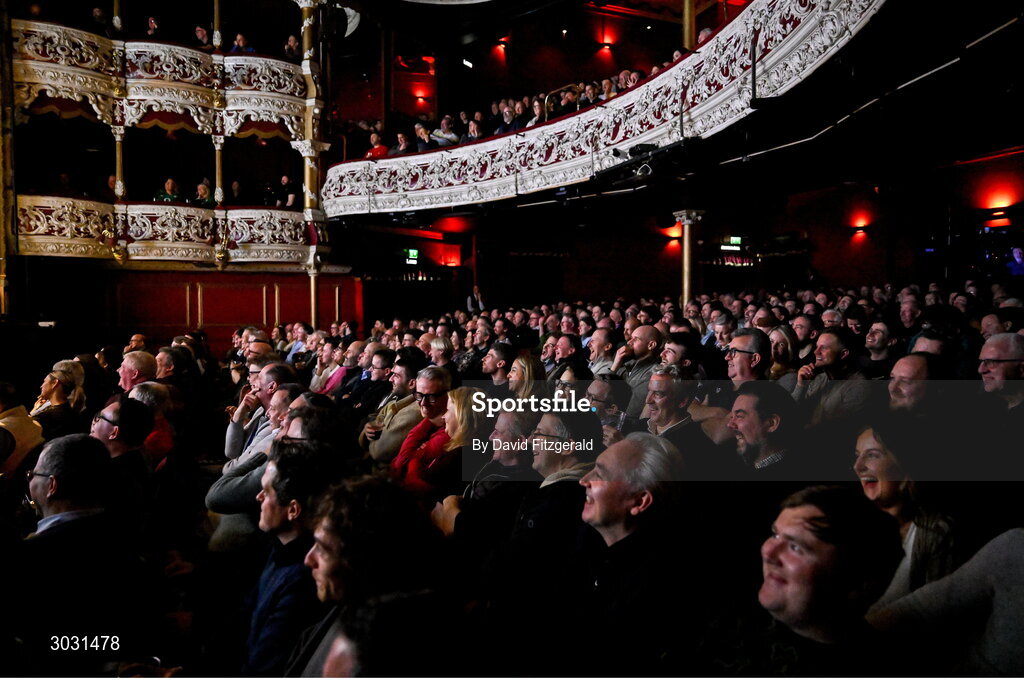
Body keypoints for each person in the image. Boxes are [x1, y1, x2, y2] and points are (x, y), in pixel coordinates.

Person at [14, 435, 158, 675]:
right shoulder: (129, 537)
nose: (29, 482)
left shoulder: (30, 558)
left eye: (32, 476)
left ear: (52, 486)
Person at [288, 476, 449, 676]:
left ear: (361, 559)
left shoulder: (380, 656)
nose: (308, 560)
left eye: (323, 549)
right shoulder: (348, 608)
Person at [242, 440, 329, 676]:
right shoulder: (279, 546)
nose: (258, 497)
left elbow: (262, 667)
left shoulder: (302, 579)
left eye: (267, 492)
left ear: (293, 509)